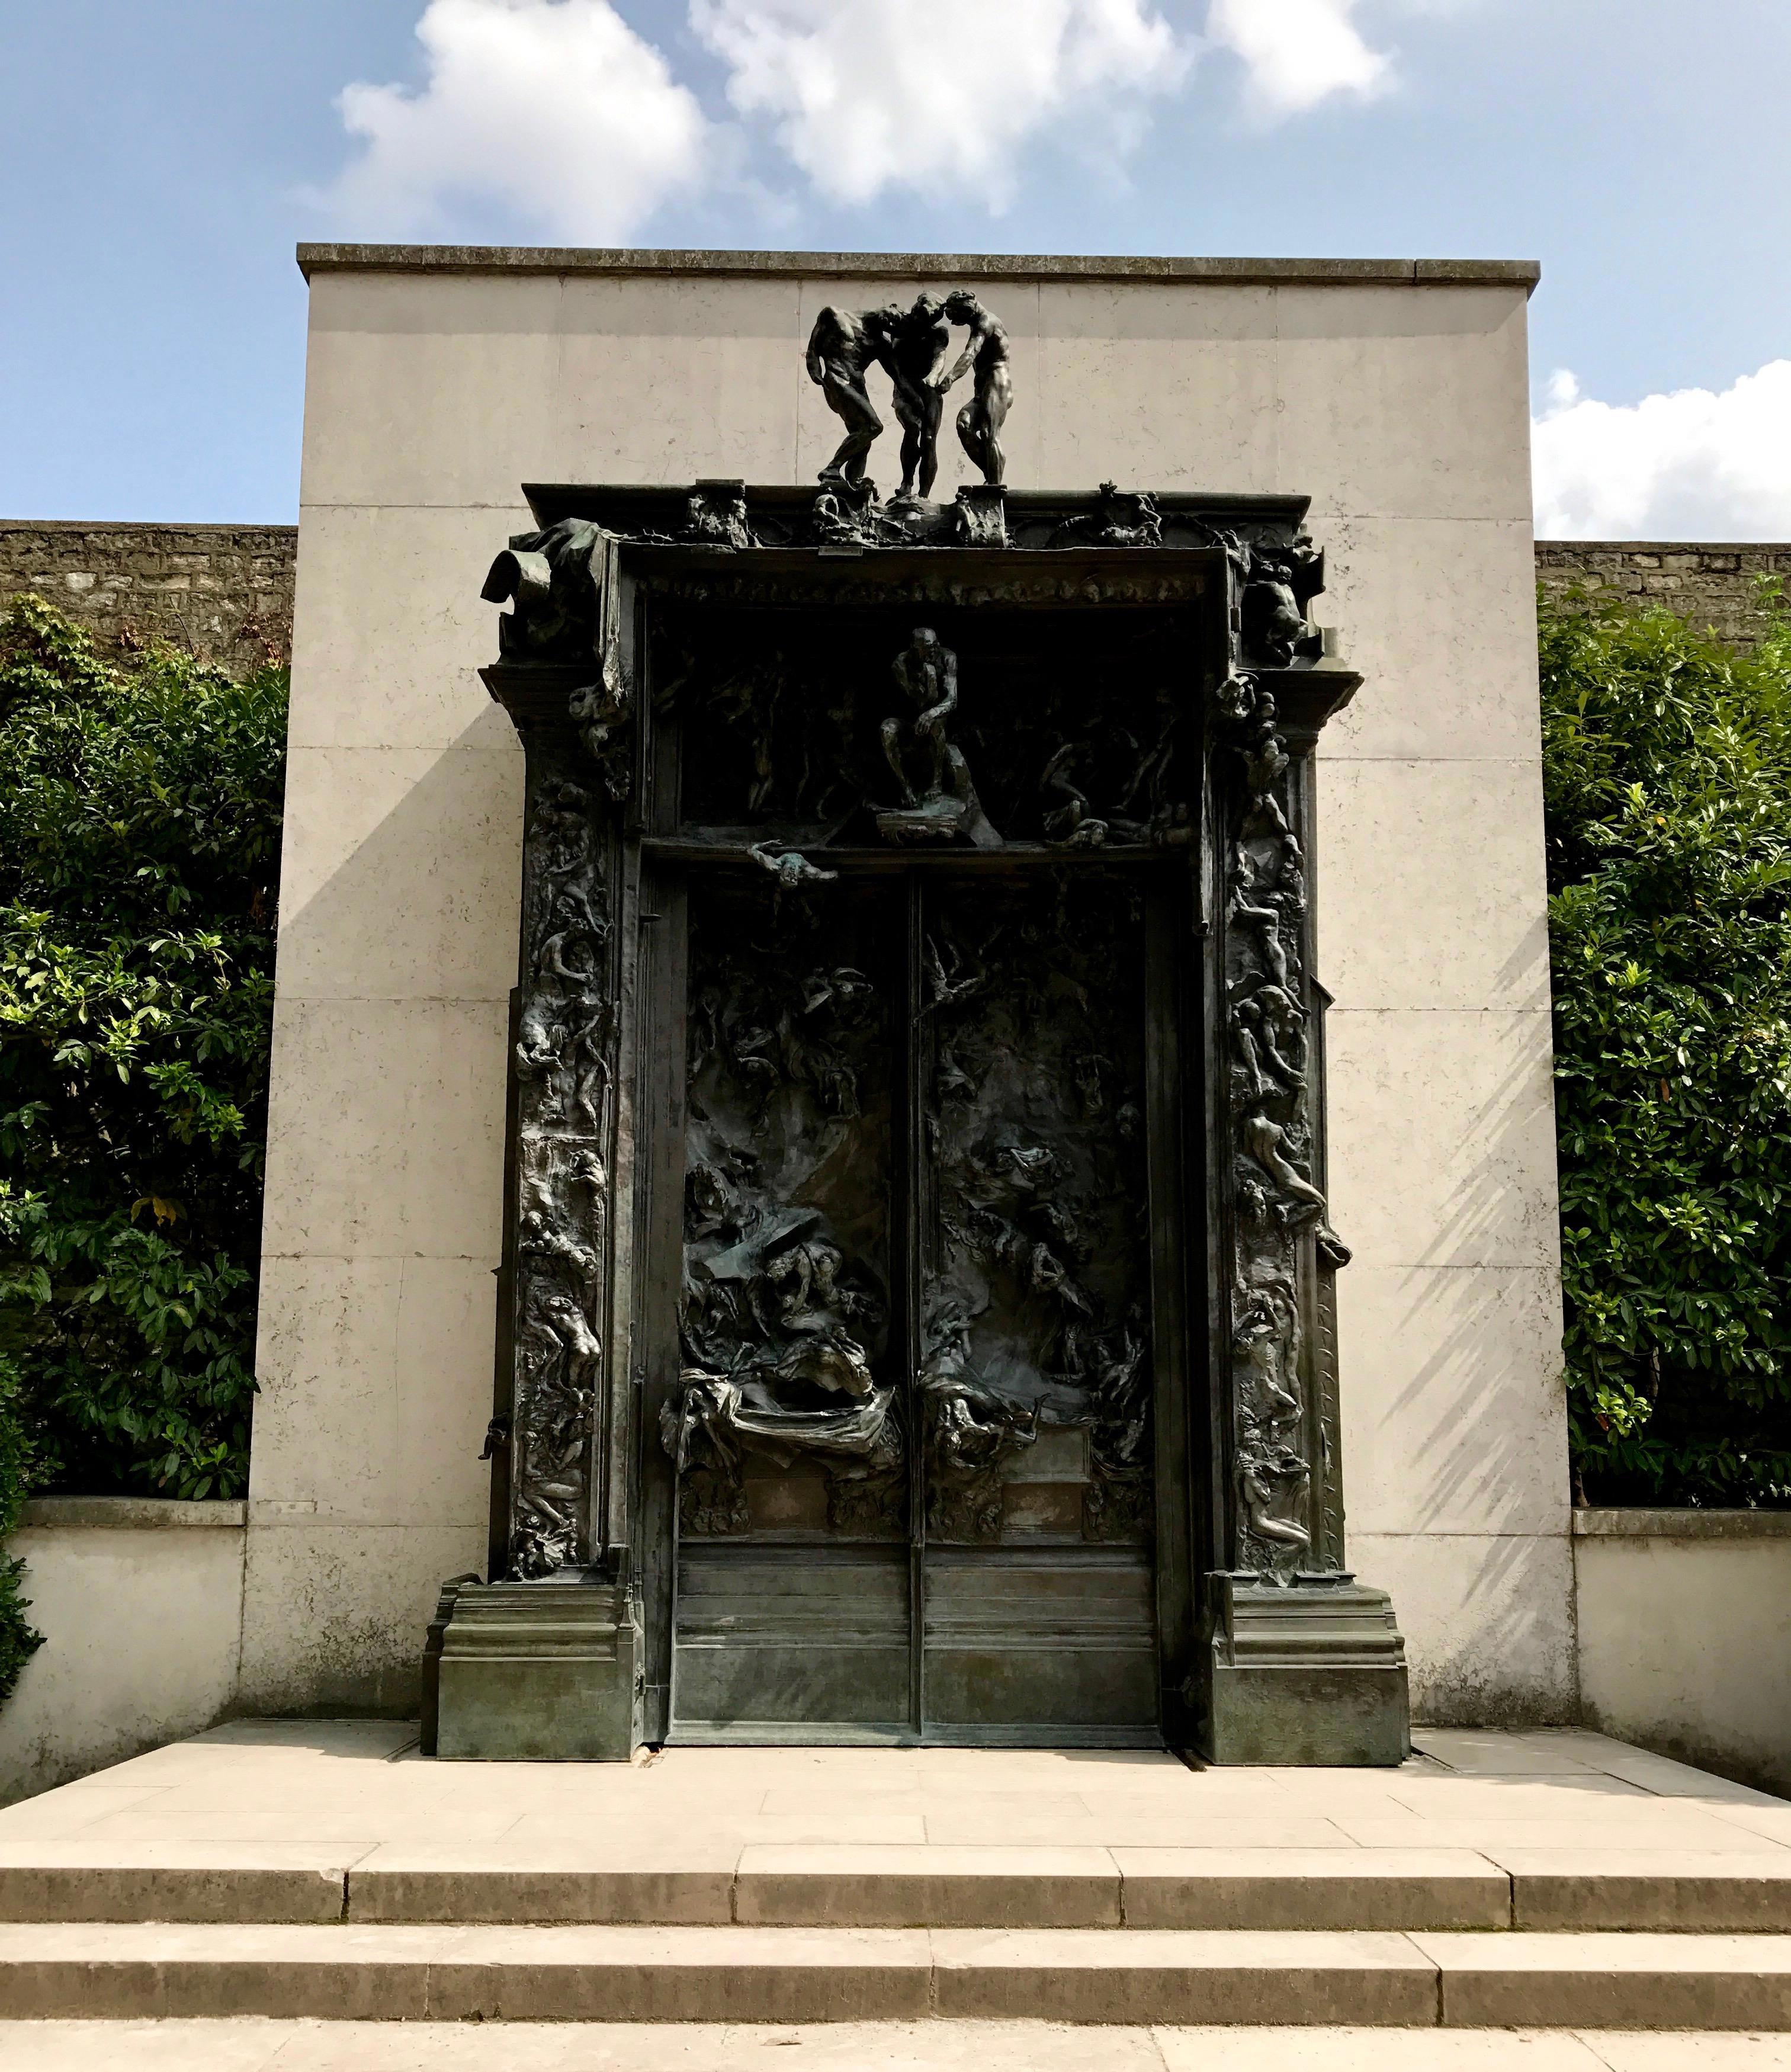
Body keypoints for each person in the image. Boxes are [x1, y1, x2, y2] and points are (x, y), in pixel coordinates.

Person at [804, 304, 899, 487]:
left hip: (857, 387)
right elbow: (813, 348)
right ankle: (832, 469)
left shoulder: (880, 343)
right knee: (873, 427)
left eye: (894, 324)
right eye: (894, 316)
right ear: (891, 306)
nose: (890, 322)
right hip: (837, 380)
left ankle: (853, 483)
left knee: (863, 438)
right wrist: (814, 368)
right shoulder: (835, 315)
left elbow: (898, 376)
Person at [941, 291, 1013, 486]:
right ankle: (993, 473)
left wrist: (951, 377)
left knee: (990, 434)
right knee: (964, 424)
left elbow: (971, 353)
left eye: (956, 315)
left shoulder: (985, 322)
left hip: (997, 383)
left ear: (966, 308)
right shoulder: (977, 323)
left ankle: (994, 488)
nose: (953, 321)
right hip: (981, 387)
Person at [887, 294, 955, 500]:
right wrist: (908, 391)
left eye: (926, 319)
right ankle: (907, 482)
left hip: (929, 390)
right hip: (904, 387)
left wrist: (933, 376)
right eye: (919, 315)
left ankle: (924, 494)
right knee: (912, 427)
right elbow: (894, 364)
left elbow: (940, 357)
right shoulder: (901, 328)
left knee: (929, 439)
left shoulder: (938, 333)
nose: (919, 321)